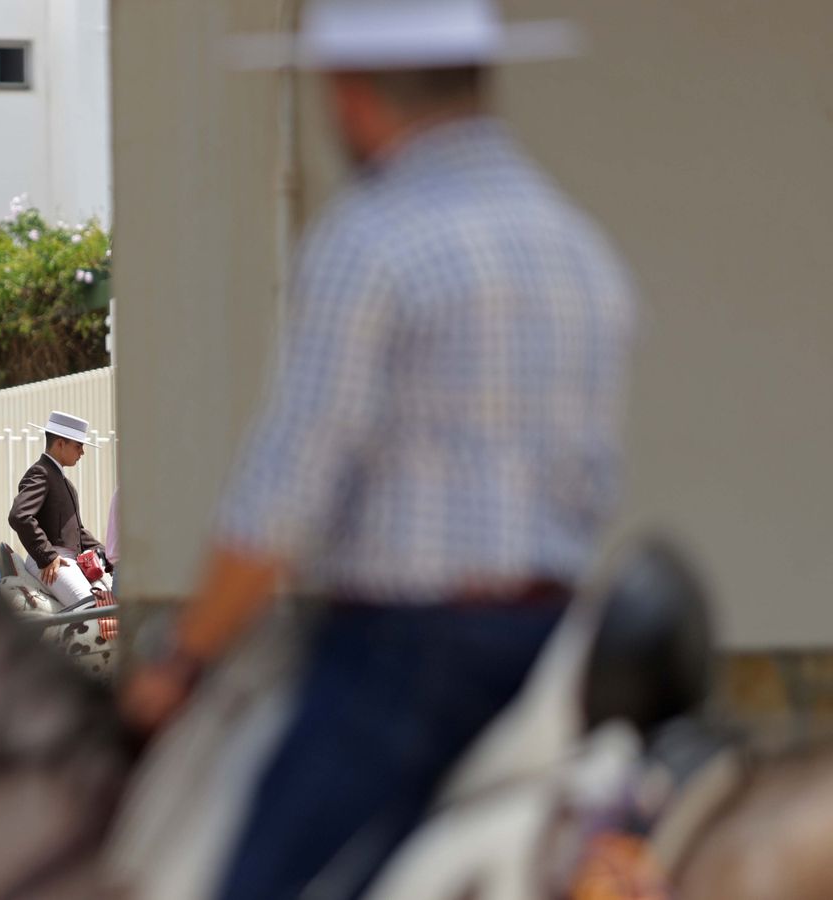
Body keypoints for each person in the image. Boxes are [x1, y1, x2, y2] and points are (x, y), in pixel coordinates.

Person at [121, 1, 636, 897]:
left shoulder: (373, 240)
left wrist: (185, 659)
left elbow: (287, 488)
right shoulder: (578, 249)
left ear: (352, 95)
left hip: (401, 656)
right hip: (559, 649)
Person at [9, 411, 112, 609]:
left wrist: (109, 555)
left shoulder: (64, 482)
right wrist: (47, 556)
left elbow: (78, 533)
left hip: (68, 561)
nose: (82, 452)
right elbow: (19, 515)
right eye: (78, 446)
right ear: (60, 444)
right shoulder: (41, 472)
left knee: (110, 604)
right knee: (91, 610)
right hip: (51, 563)